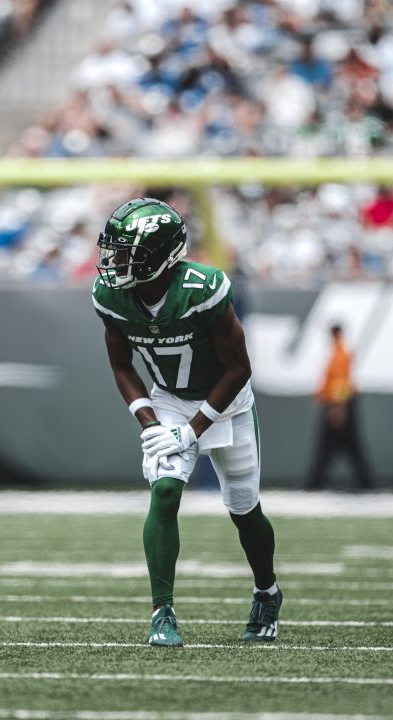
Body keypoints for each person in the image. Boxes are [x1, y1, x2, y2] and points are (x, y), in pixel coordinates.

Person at [92, 198, 281, 648]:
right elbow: (122, 367)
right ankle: (162, 612)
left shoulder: (204, 287)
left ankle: (266, 592)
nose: (114, 261)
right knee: (166, 491)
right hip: (170, 400)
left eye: (126, 252)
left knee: (243, 508)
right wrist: (149, 420)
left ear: (158, 256)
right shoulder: (111, 297)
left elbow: (239, 369)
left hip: (226, 401)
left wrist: (194, 429)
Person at [304, 324, 374, 491]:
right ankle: (366, 483)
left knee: (329, 447)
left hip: (337, 405)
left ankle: (314, 484)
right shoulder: (338, 351)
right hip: (338, 404)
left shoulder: (340, 353)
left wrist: (339, 408)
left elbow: (341, 382)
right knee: (349, 446)